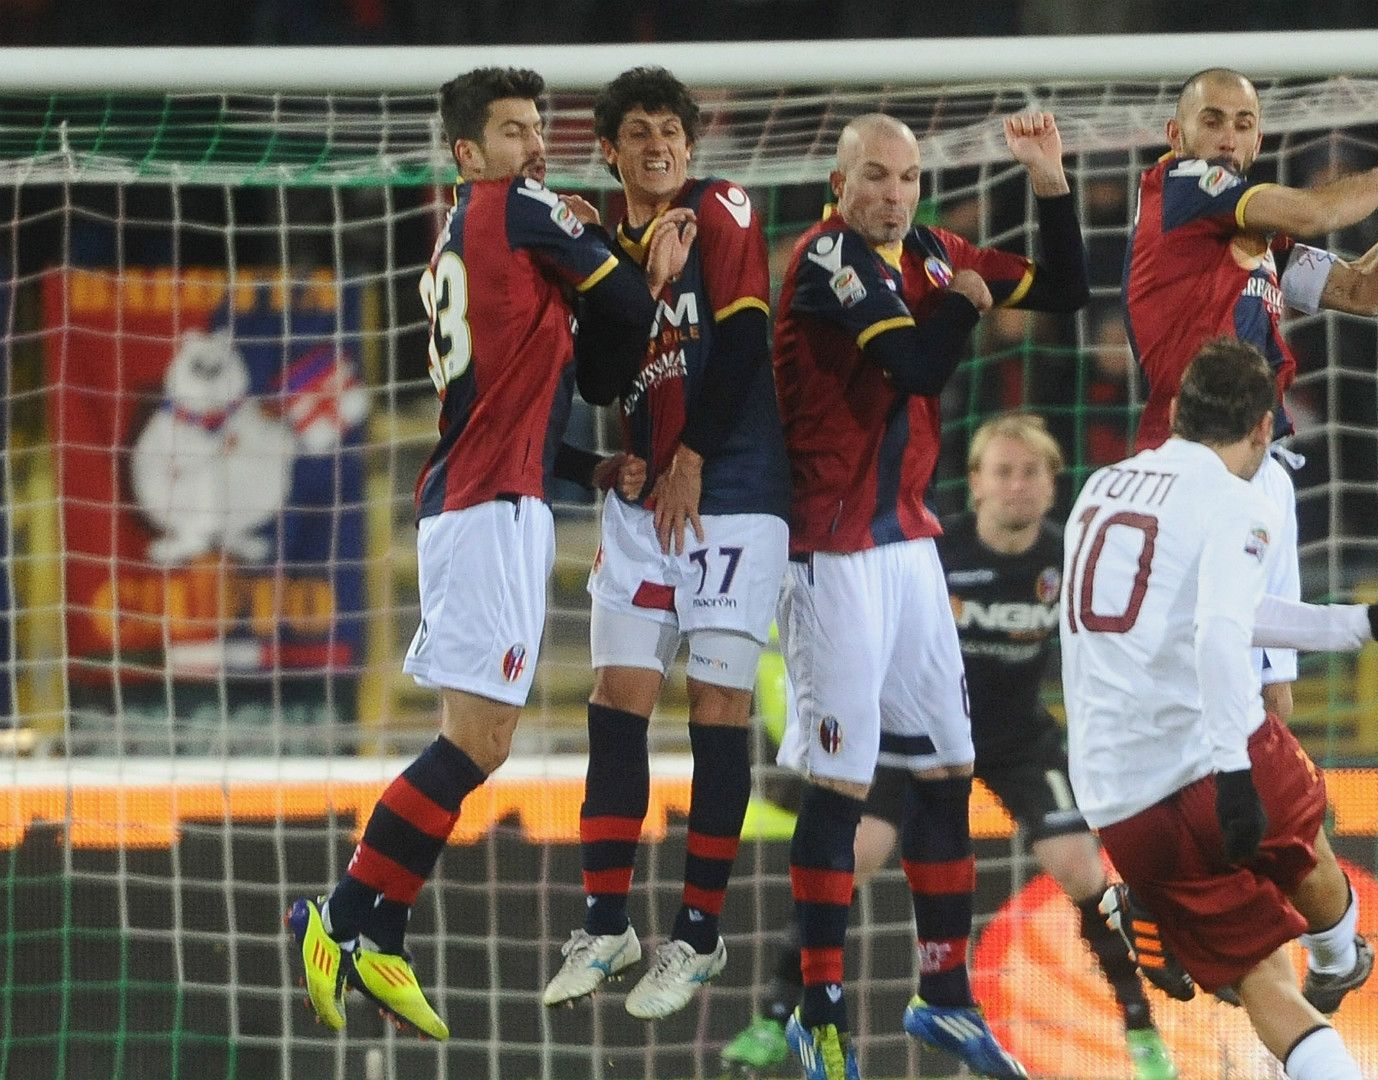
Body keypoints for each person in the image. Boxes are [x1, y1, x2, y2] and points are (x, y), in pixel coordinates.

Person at [284, 67, 682, 1040]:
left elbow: (537, 377)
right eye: (513, 130)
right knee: (478, 741)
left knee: (485, 741)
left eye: (538, 128)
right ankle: (341, 915)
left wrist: (584, 459)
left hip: (494, 497)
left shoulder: (468, 232)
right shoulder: (516, 206)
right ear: (469, 152)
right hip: (488, 508)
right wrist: (641, 260)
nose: (535, 145)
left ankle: (375, 925)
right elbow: (625, 312)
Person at [1121, 67, 1378, 1010]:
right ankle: (1160, 896)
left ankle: (1271, 918)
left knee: (1267, 711)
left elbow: (1363, 286)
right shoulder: (1182, 187)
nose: (1229, 136)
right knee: (1199, 694)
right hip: (1191, 483)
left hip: (1265, 478)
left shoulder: (1257, 245)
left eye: (1244, 123)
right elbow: (1320, 215)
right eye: (1213, 120)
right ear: (1177, 130)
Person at [771, 111, 1089, 1080]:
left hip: (908, 544)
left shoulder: (935, 251)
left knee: (947, 767)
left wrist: (1049, 184)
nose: (893, 195)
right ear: (838, 181)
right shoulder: (828, 258)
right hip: (830, 550)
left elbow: (1068, 291)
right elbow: (916, 361)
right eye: (874, 177)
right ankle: (816, 1008)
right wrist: (966, 300)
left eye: (907, 180)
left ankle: (944, 995)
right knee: (842, 782)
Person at [721, 414, 1177, 1080]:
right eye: (1004, 472)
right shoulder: (935, 551)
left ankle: (1141, 1030)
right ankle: (773, 1014)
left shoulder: (1071, 559)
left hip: (1016, 735)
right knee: (853, 857)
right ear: (977, 485)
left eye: (1032, 473)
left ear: (1054, 485)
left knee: (1082, 868)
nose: (1018, 485)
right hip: (916, 729)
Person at [1061, 339, 1378, 1080]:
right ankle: (1338, 959)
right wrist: (1233, 771)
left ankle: (1153, 904)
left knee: (1263, 983)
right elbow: (1219, 633)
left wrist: (1361, 623)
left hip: (1120, 797)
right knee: (1299, 834)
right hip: (1219, 761)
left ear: (1177, 411)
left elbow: (1203, 613)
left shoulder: (1100, 488)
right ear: (1263, 430)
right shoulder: (1240, 500)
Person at [533, 65, 791, 1024]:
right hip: (645, 505)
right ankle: (607, 924)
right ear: (608, 149)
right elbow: (604, 382)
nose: (658, 146)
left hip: (733, 492)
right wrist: (641, 285)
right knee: (617, 696)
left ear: (691, 141)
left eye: (671, 131)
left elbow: (749, 339)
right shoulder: (598, 242)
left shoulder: (722, 206)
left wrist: (688, 454)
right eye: (638, 132)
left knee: (716, 703)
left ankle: (697, 933)